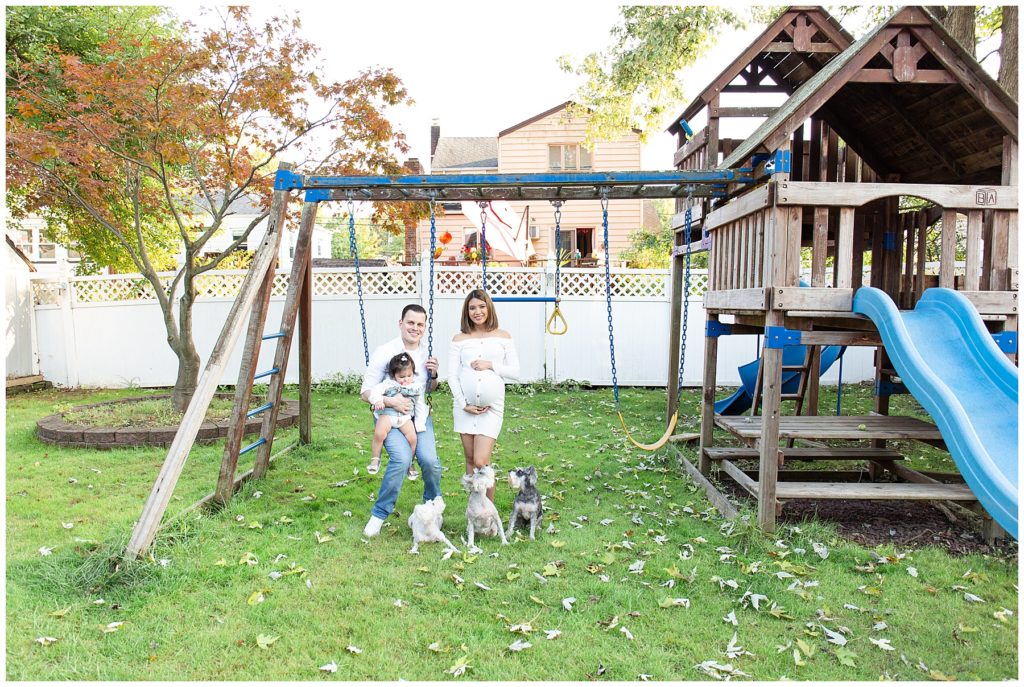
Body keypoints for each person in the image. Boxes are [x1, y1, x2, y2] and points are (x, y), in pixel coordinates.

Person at [360, 304, 442, 538]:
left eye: (420, 324)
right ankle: (379, 513)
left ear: (424, 327)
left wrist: (434, 375)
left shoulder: (426, 354)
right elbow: (365, 391)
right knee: (401, 459)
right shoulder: (384, 351)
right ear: (401, 323)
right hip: (391, 417)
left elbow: (430, 389)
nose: (415, 328)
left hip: (418, 418)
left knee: (430, 461)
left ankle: (431, 508)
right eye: (410, 323)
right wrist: (391, 402)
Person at [447, 289, 520, 502]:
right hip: (464, 409)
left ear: (489, 307)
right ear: (466, 311)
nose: (477, 311)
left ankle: (489, 511)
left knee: (481, 461)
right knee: (470, 461)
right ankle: (475, 512)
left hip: (491, 409)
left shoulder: (503, 336)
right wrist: (463, 404)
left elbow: (515, 372)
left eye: (481, 306)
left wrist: (490, 365)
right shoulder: (459, 339)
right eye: (472, 308)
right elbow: (452, 376)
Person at [366, 352, 427, 480]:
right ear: (394, 376)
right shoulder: (388, 384)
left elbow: (420, 405)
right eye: (402, 376)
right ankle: (375, 459)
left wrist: (419, 424)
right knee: (379, 434)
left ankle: (410, 463)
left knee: (413, 439)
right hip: (388, 415)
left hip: (404, 418)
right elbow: (374, 392)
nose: (406, 379)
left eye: (409, 375)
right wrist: (378, 401)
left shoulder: (415, 388)